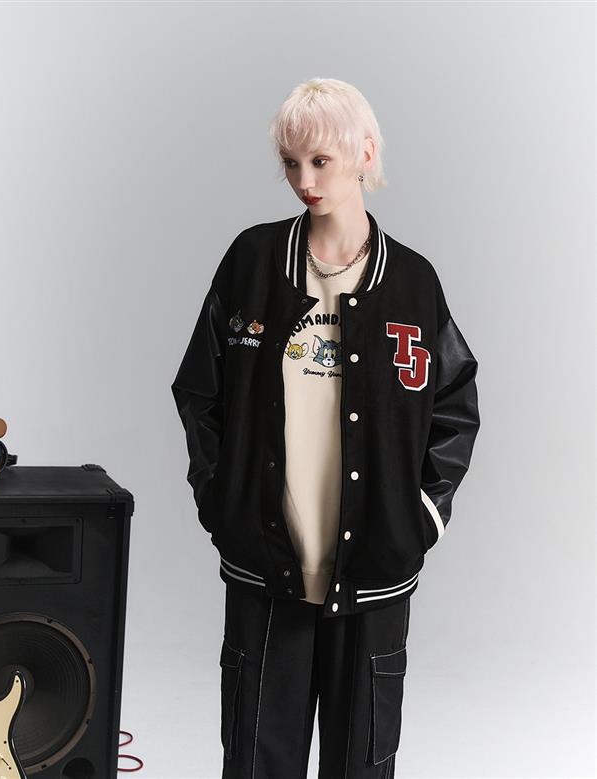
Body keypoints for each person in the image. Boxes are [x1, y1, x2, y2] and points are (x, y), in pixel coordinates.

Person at [171, 77, 480, 779]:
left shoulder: (413, 283)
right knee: (255, 760)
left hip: (373, 574)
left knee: (361, 764)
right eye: (291, 163)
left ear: (365, 154)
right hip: (265, 569)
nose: (304, 182)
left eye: (321, 161)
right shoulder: (252, 263)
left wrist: (421, 516)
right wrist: (221, 499)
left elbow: (455, 403)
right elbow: (198, 390)